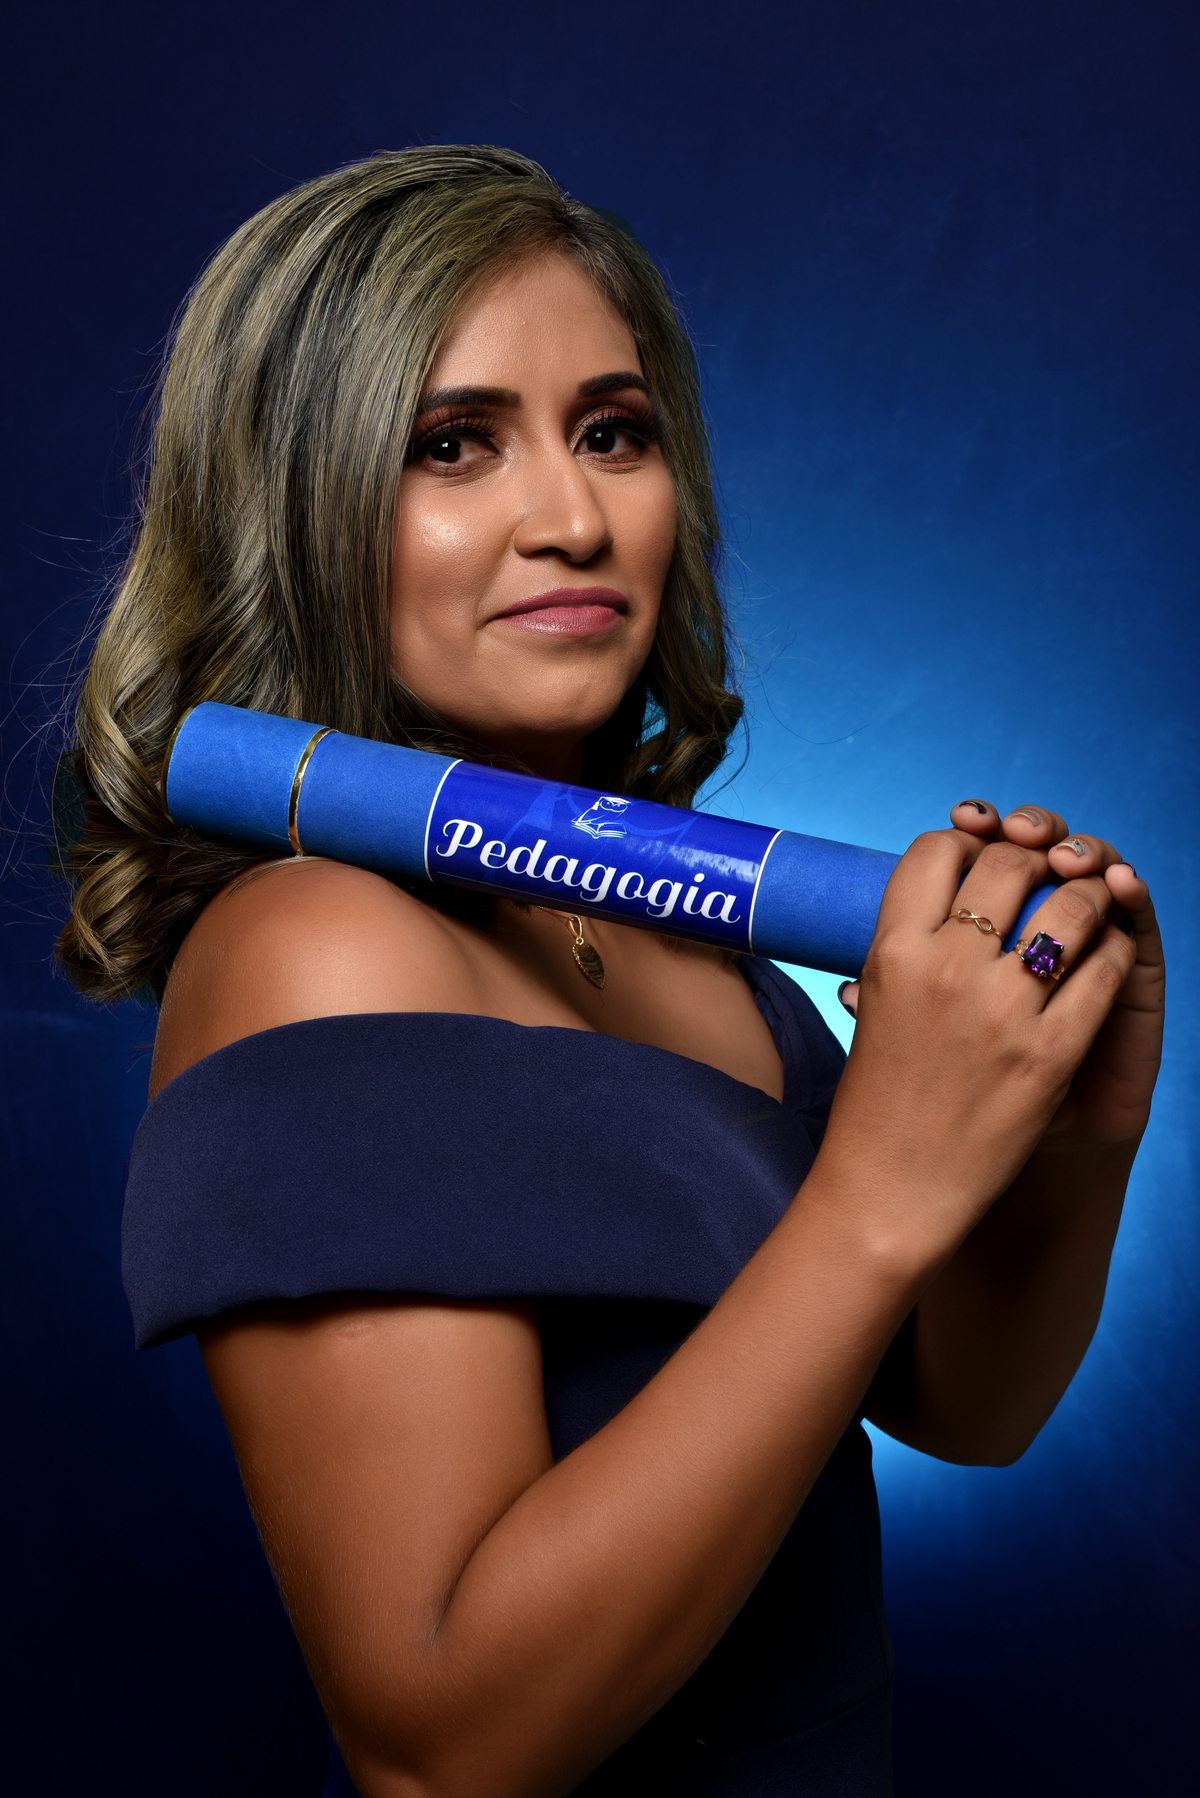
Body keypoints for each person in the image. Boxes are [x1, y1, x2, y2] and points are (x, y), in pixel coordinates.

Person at [57, 146, 1164, 1797]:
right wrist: (877, 1184)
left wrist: (1065, 1133)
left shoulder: (690, 935)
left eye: (613, 432)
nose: (572, 520)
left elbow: (962, 1405)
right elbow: (442, 1746)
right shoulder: (319, 944)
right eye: (454, 444)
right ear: (299, 507)